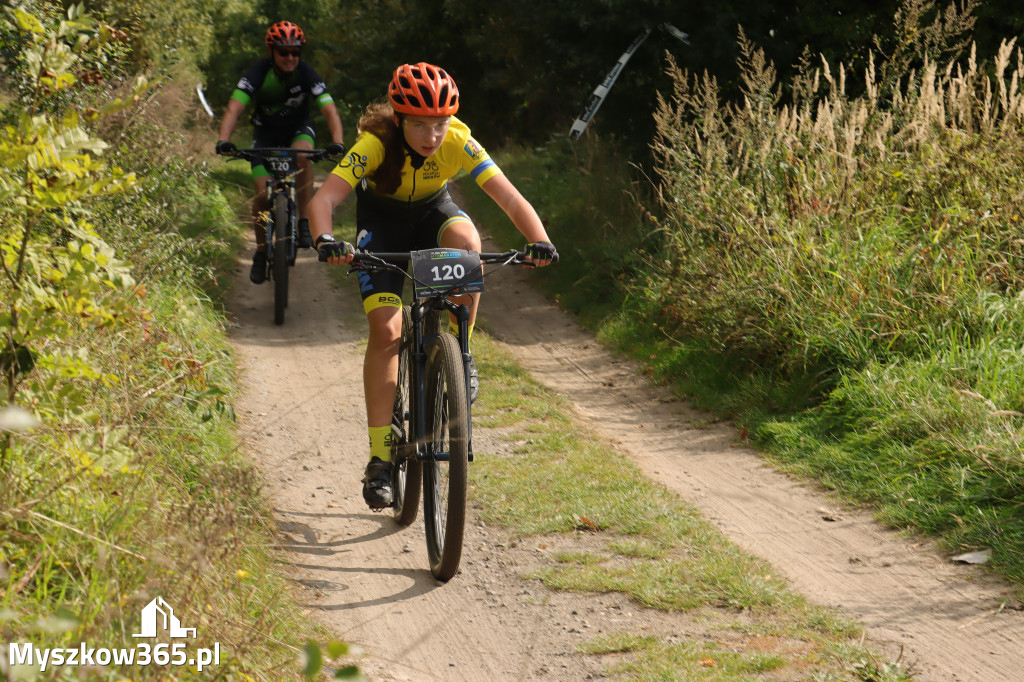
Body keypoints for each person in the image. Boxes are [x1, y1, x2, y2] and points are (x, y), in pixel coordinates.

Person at [309, 62, 557, 509]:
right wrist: (326, 239)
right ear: (399, 119)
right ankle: (380, 460)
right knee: (386, 331)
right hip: (382, 228)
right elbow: (323, 199)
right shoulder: (375, 143)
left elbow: (508, 197)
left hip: (432, 216)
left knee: (468, 245)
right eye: (420, 124)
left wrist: (539, 240)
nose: (432, 136)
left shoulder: (459, 140)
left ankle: (461, 352)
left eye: (440, 124)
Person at [215, 20, 345, 284]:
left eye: (295, 52)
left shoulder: (306, 73)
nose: (290, 57)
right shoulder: (259, 72)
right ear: (272, 51)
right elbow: (235, 106)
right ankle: (261, 253)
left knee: (303, 157)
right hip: (265, 137)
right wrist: (223, 139)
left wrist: (338, 141)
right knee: (263, 196)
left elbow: (329, 109)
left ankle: (304, 221)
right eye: (284, 52)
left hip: (298, 131)